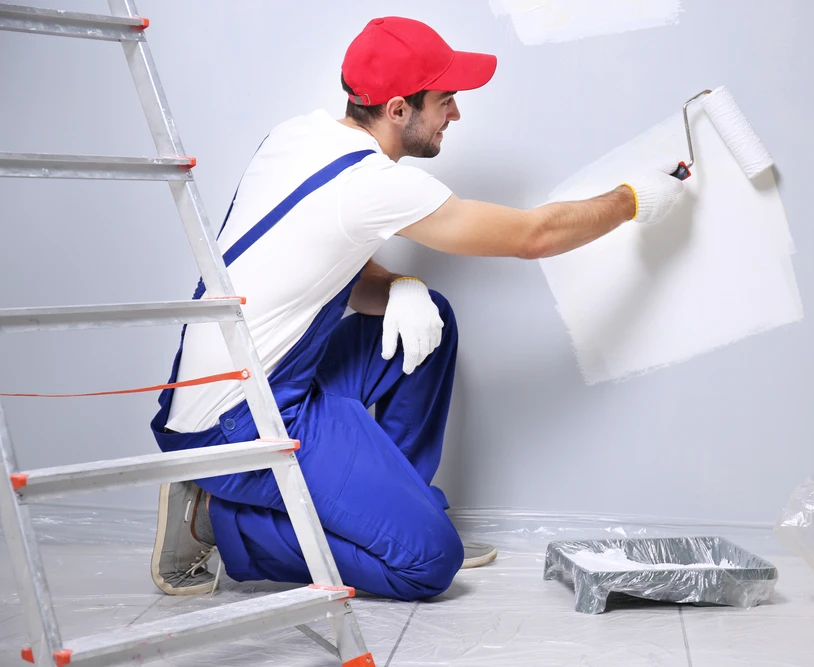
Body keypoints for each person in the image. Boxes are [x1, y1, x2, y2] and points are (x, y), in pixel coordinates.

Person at [148, 16, 684, 600]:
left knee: (429, 318)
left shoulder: (295, 137)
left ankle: (394, 506)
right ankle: (218, 522)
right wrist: (634, 199)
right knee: (428, 563)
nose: (455, 113)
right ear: (399, 109)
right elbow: (535, 237)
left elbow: (316, 261)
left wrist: (399, 283)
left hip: (241, 385)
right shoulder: (375, 184)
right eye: (446, 100)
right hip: (238, 425)